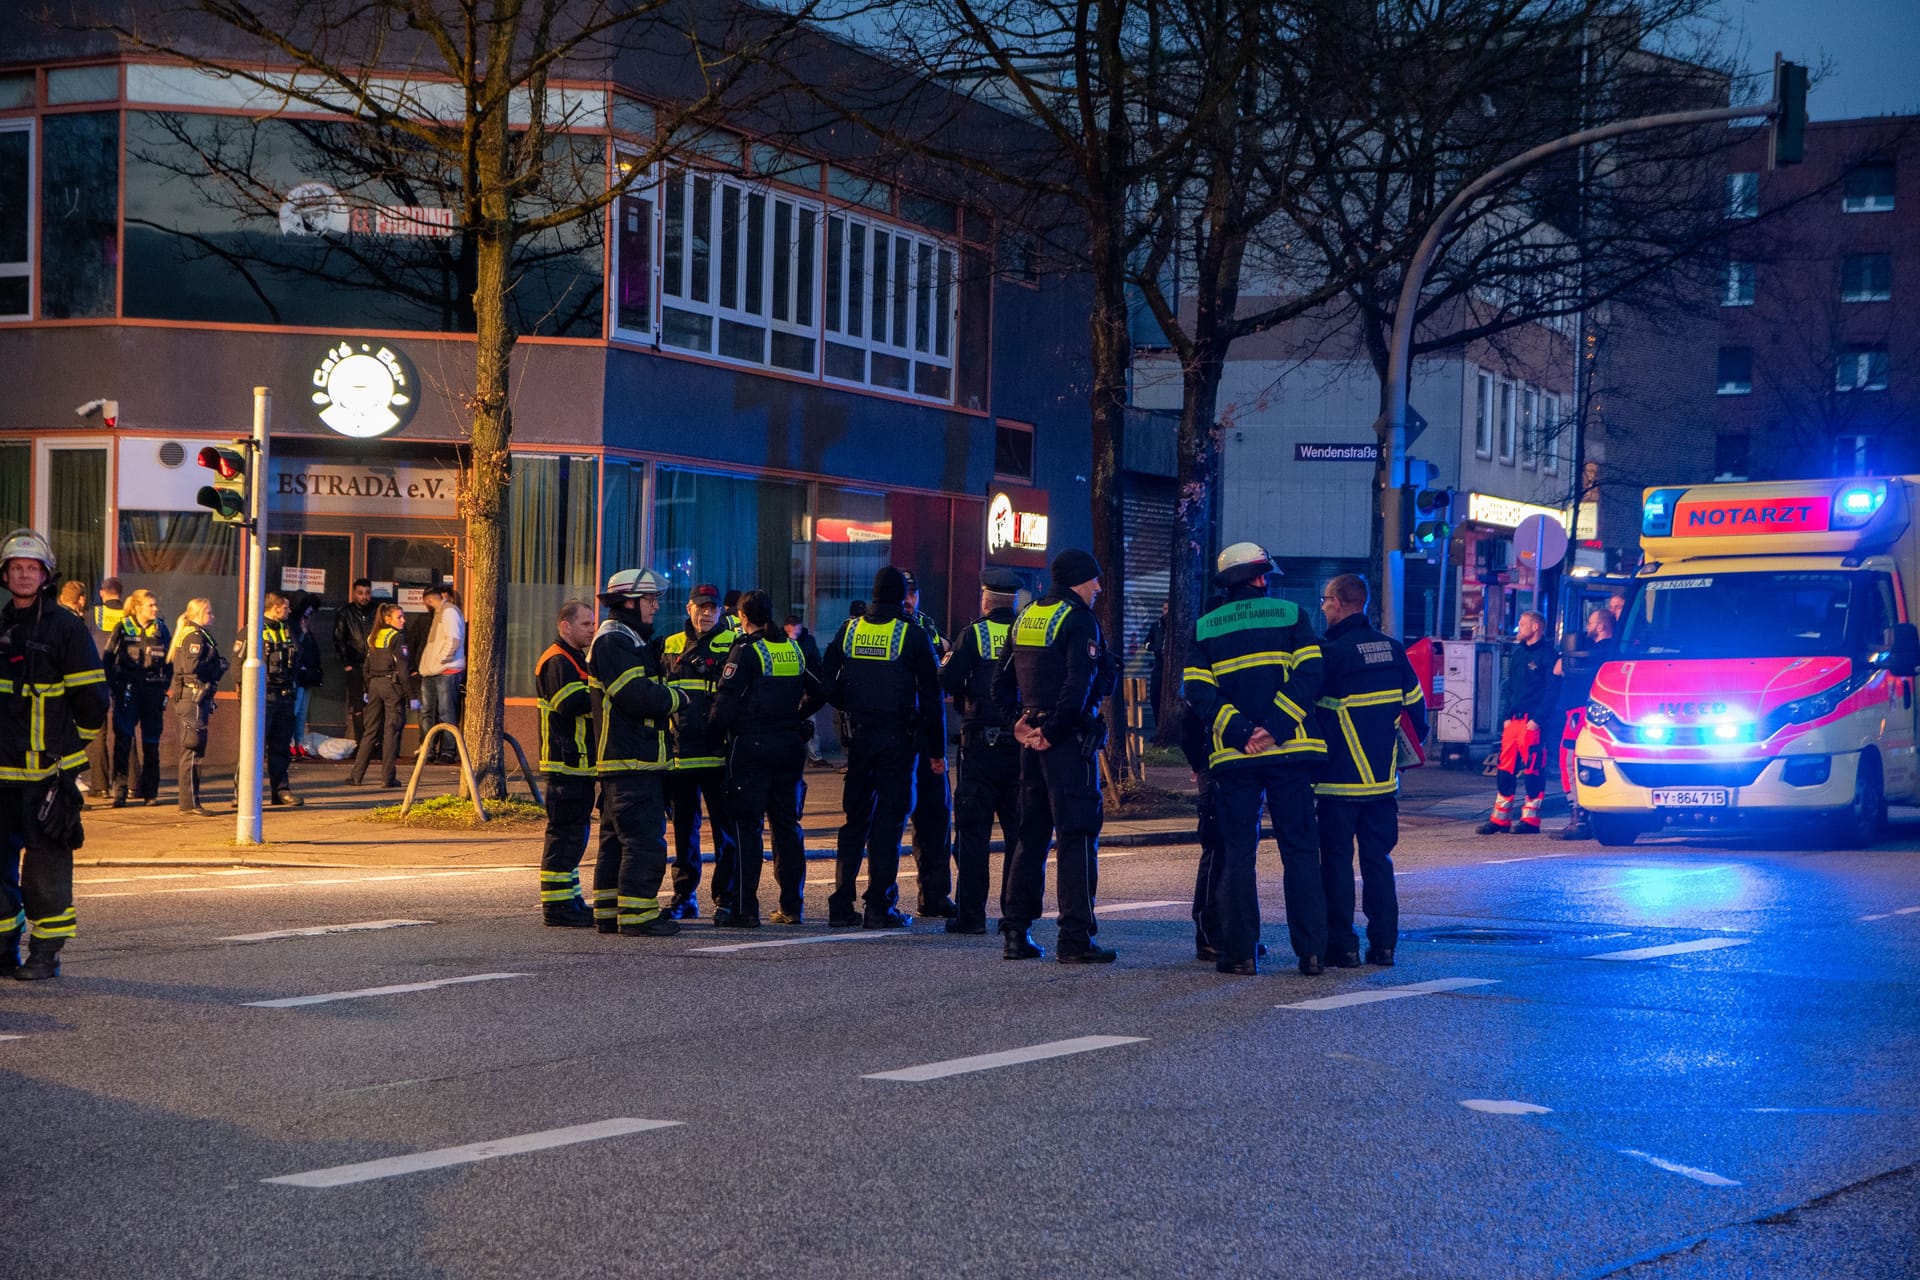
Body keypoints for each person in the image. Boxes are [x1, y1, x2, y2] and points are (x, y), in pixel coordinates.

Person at [1182, 542, 1327, 976]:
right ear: (1260, 577)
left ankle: (1240, 953)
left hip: (1234, 755)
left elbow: (1198, 691)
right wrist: (1276, 727)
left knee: (1239, 853)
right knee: (1300, 850)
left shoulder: (1205, 627)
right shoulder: (1291, 615)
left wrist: (1242, 731)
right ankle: (1312, 952)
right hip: (1290, 751)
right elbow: (1311, 673)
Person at [993, 548, 1120, 964]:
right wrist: (1052, 731)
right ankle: (1075, 939)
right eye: (1094, 581)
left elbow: (1001, 682)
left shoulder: (1026, 617)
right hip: (1065, 746)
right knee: (1077, 837)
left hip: (1030, 742)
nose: (1098, 588)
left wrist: (1019, 723)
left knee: (1029, 837)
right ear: (1079, 581)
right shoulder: (1079, 619)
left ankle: (1016, 932)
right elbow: (1079, 684)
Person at [0, 529, 108, 981]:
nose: (24, 575)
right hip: (1, 778)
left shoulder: (66, 627)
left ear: (45, 575)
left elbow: (93, 703)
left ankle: (46, 953)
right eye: (16, 568)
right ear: (5, 574)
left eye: (32, 568)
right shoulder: (2, 624)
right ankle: (4, 950)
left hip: (47, 777)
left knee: (46, 874)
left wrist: (67, 754)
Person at [1314, 574, 1427, 969]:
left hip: (1337, 783)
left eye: (1326, 599)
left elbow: (1310, 712)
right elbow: (1417, 711)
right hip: (1382, 784)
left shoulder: (1330, 653)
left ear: (1343, 603)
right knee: (1378, 863)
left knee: (1337, 863)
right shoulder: (1393, 650)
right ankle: (1384, 946)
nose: (1323, 606)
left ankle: (1342, 946)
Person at [822, 566, 943, 930]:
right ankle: (879, 905)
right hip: (897, 742)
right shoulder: (913, 635)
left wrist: (845, 702)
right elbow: (933, 696)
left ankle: (841, 903)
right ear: (898, 595)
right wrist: (936, 751)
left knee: (855, 821)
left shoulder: (850, 628)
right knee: (889, 823)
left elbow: (827, 676)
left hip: (859, 740)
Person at [712, 590, 826, 925]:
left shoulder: (746, 651)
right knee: (787, 826)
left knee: (748, 827)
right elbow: (820, 691)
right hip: (789, 745)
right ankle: (792, 906)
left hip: (753, 746)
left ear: (743, 617)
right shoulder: (791, 647)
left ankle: (747, 909)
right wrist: (796, 716)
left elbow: (725, 702)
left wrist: (711, 735)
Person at [588, 568, 684, 937]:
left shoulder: (624, 638)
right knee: (643, 841)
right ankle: (639, 915)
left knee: (617, 840)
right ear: (629, 601)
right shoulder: (615, 640)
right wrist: (677, 698)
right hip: (632, 760)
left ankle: (611, 912)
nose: (656, 607)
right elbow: (634, 695)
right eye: (650, 600)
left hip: (625, 761)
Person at [938, 567, 1024, 936]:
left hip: (980, 748)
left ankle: (971, 916)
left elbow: (949, 679)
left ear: (986, 600)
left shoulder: (973, 634)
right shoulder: (1028, 632)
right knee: (1019, 835)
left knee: (973, 833)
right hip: (1022, 746)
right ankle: (1014, 918)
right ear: (1016, 600)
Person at [661, 584, 739, 921]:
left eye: (713, 607)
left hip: (719, 755)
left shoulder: (734, 644)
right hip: (680, 753)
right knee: (683, 831)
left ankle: (726, 898)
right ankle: (684, 896)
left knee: (725, 831)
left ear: (722, 611)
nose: (706, 613)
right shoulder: (670, 645)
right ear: (688, 608)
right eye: (700, 607)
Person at [535, 599, 599, 927]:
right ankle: (558, 907)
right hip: (565, 762)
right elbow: (569, 703)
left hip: (577, 763)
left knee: (574, 835)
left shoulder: (575, 658)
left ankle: (570, 899)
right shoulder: (557, 660)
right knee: (564, 835)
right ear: (566, 626)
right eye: (586, 624)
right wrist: (604, 690)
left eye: (593, 623)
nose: (593, 628)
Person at [901, 569, 956, 918]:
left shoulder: (929, 627)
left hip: (927, 735)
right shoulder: (873, 627)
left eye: (913, 593)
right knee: (884, 821)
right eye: (903, 593)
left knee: (936, 818)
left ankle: (934, 896)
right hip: (892, 736)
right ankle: (877, 900)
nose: (909, 600)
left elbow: (945, 666)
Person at [1478, 610, 1560, 836]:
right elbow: (1509, 687)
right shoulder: (1518, 654)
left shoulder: (1548, 656)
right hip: (1513, 722)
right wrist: (1505, 717)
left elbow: (1552, 692)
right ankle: (1500, 819)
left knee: (1533, 770)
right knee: (1505, 769)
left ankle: (1530, 821)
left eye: (1523, 624)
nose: (1519, 627)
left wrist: (1537, 720)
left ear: (1536, 628)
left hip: (1533, 723)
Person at [103, 588, 171, 807]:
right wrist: (114, 687)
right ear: (137, 607)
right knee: (123, 743)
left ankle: (151, 792)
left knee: (151, 744)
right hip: (127, 692)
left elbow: (170, 661)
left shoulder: (161, 629)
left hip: (152, 693)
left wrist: (164, 689)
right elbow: (107, 658)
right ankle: (120, 792)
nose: (155, 609)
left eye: (155, 605)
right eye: (150, 605)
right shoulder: (123, 627)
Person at [1555, 607, 1618, 841]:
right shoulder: (1617, 649)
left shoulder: (1593, 650)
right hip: (1595, 709)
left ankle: (1578, 816)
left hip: (1579, 711)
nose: (1588, 628)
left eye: (1591, 623)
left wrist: (1568, 651)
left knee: (1570, 760)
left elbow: (1558, 669)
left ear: (1600, 627)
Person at [167, 598, 227, 817]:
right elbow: (192, 667)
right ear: (198, 613)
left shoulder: (193, 634)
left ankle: (190, 802)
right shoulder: (194, 635)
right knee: (192, 750)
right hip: (192, 699)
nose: (212, 616)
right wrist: (216, 663)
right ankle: (190, 803)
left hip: (192, 699)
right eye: (209, 612)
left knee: (193, 749)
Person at [348, 603, 410, 788]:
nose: (403, 620)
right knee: (391, 732)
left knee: (370, 731)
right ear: (387, 619)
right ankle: (387, 778)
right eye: (399, 617)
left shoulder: (373, 637)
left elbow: (366, 667)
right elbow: (404, 669)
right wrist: (412, 695)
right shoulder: (397, 638)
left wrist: (368, 688)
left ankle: (356, 776)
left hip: (374, 685)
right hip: (392, 686)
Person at [261, 592, 304, 807]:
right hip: (264, 696)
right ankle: (243, 793)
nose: (288, 611)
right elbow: (239, 664)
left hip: (285, 695)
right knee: (254, 747)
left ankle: (281, 791)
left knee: (280, 747)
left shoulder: (288, 629)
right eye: (285, 608)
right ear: (276, 608)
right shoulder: (256, 630)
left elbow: (298, 656)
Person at [418, 585, 466, 763]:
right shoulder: (441, 613)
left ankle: (447, 751)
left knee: (445, 712)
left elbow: (453, 640)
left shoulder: (449, 612)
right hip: (435, 670)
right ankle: (429, 749)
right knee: (429, 711)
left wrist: (440, 661)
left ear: (429, 600)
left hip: (445, 670)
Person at [332, 579, 378, 745]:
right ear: (354, 593)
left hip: (375, 665)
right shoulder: (346, 613)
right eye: (360, 593)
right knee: (358, 705)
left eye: (367, 593)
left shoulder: (376, 610)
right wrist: (347, 663)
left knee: (375, 704)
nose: (364, 597)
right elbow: (339, 639)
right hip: (355, 664)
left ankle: (376, 742)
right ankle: (361, 741)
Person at [786, 613, 829, 765]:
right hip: (790, 689)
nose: (794, 636)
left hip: (804, 688)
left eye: (797, 632)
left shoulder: (807, 641)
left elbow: (815, 664)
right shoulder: (782, 641)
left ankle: (814, 755)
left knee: (810, 722)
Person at [291, 598, 324, 757]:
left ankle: (298, 742)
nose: (308, 618)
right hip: (298, 675)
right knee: (295, 710)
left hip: (307, 675)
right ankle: (291, 742)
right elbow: (298, 648)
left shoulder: (307, 629)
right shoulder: (294, 626)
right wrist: (303, 633)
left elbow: (313, 651)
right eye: (307, 614)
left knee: (302, 712)